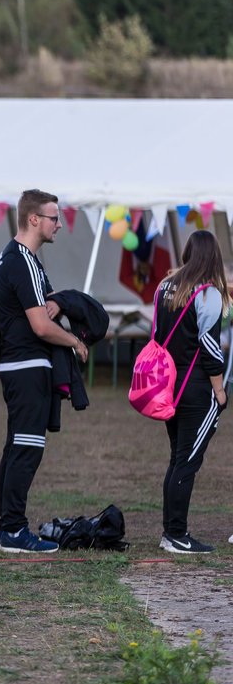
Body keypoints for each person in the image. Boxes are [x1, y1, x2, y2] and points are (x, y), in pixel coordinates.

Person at [0, 189, 88, 553]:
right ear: (34, 219)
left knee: (18, 445)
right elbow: (41, 326)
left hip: (18, 365)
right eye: (54, 218)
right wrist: (75, 342)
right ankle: (13, 531)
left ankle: (8, 528)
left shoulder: (13, 258)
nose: (59, 225)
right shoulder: (22, 261)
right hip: (27, 365)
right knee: (27, 448)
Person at [150, 230, 228, 553]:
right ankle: (176, 535)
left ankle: (170, 532)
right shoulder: (207, 293)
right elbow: (210, 348)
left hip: (168, 384)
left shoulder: (164, 287)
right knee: (187, 462)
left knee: (177, 459)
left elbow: (156, 333)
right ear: (213, 258)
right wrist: (220, 392)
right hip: (196, 387)